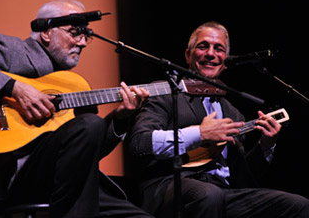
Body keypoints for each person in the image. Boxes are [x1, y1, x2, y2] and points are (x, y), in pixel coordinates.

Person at [0, 0, 154, 218]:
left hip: (73, 181)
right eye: (75, 32)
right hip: (20, 176)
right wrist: (16, 89)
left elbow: (88, 149)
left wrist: (120, 118)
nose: (83, 42)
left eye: (86, 35)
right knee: (89, 122)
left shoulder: (74, 84)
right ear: (46, 33)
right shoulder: (15, 50)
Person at [127, 21, 309, 217]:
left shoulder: (233, 113)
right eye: (203, 46)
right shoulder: (164, 92)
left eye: (218, 49)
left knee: (298, 205)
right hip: (171, 186)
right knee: (208, 195)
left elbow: (243, 177)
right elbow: (139, 143)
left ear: (226, 61)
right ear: (188, 55)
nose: (211, 53)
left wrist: (266, 146)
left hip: (224, 193)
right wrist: (199, 133)